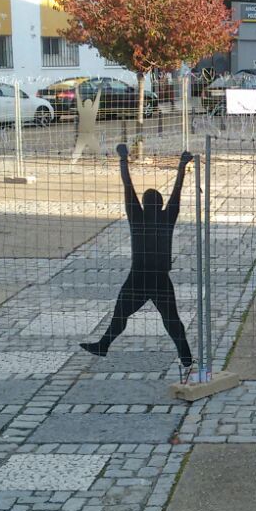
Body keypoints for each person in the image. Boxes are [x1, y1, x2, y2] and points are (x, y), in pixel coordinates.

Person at [81, 145, 195, 377]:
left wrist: (123, 158)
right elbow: (177, 190)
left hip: (138, 277)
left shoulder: (137, 217)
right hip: (160, 278)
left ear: (143, 204)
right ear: (161, 204)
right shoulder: (168, 217)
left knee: (120, 315)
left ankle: (104, 345)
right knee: (171, 320)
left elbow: (128, 185)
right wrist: (182, 165)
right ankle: (185, 357)